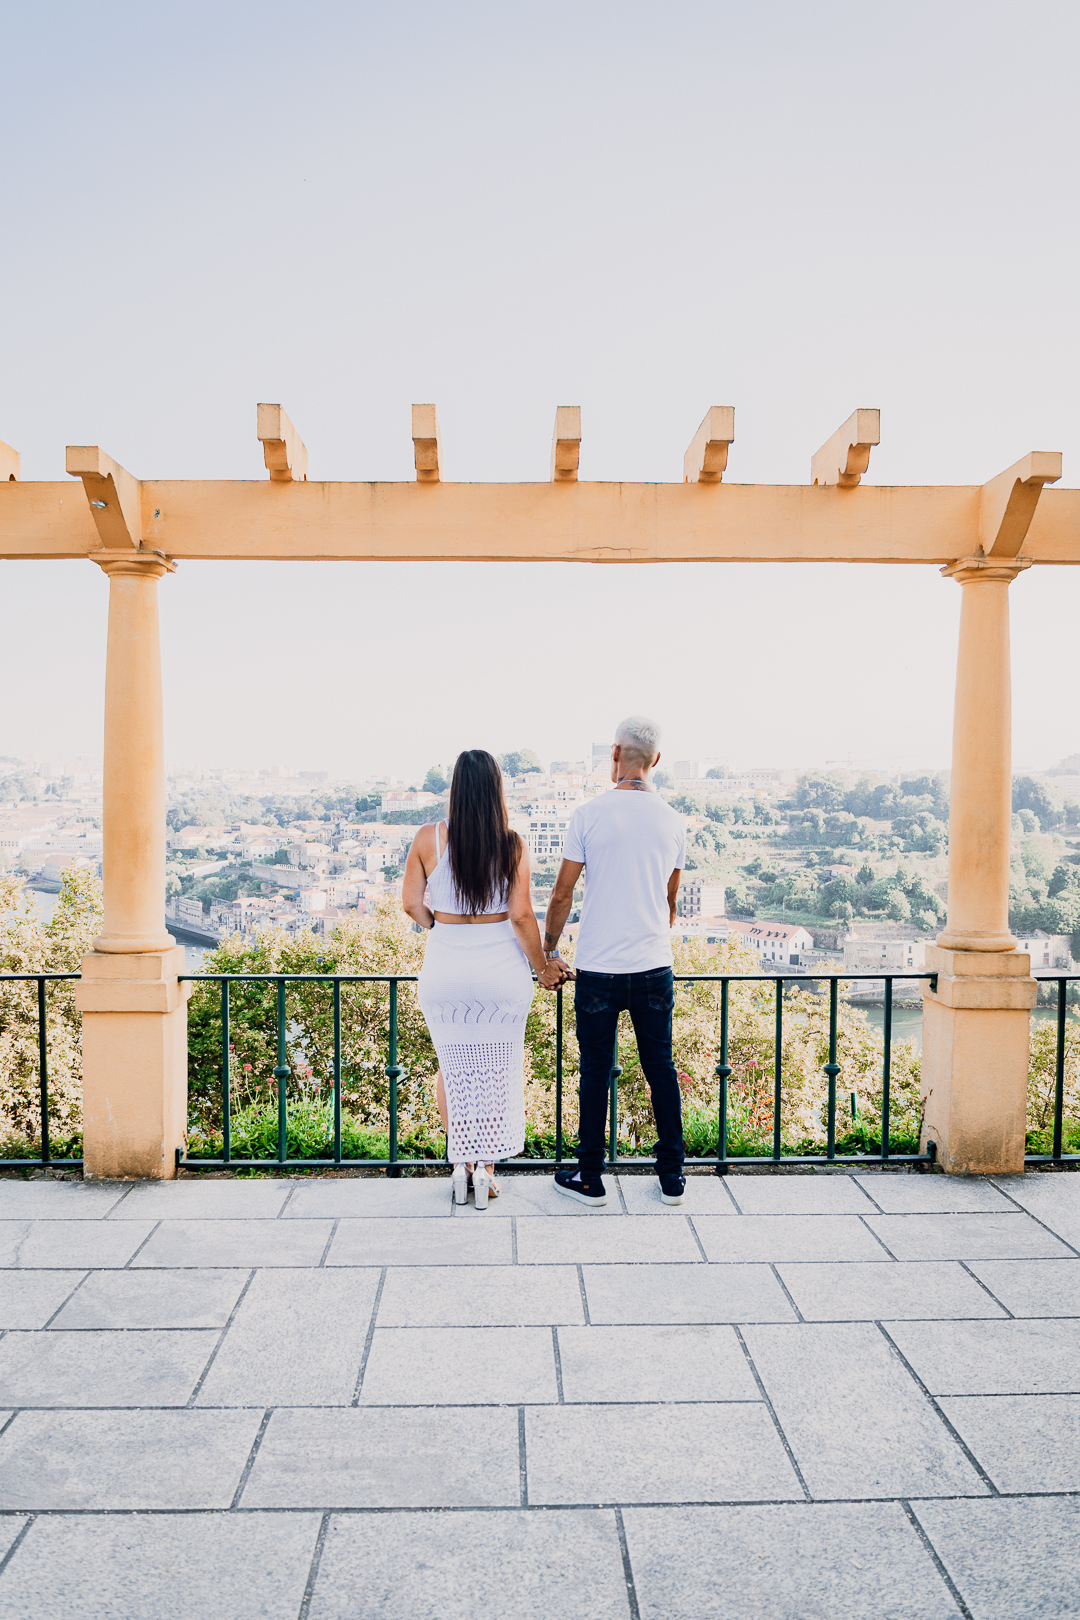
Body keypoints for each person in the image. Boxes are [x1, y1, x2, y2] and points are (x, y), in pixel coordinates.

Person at [403, 749, 563, 1207]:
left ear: (456, 787)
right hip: (500, 974)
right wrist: (543, 966)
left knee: (451, 1067)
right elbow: (520, 917)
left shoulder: (427, 838)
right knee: (498, 1069)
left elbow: (411, 903)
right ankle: (487, 1171)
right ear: (496, 790)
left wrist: (440, 925)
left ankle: (460, 1166)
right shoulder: (511, 845)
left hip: (446, 969)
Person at [542, 716, 686, 1207]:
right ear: (656, 760)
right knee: (660, 1070)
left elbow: (562, 894)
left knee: (596, 1072)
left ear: (615, 752)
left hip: (599, 970)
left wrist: (549, 949)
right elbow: (671, 903)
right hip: (652, 967)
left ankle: (590, 1177)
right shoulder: (674, 820)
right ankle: (672, 1179)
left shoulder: (588, 815)